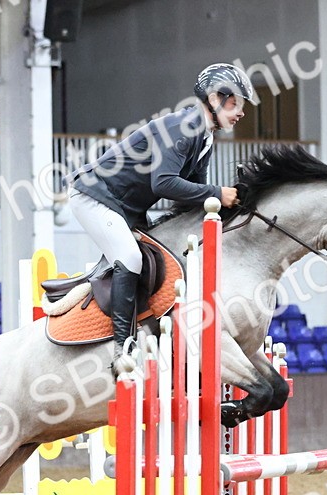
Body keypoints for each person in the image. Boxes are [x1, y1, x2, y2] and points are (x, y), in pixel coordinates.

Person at [66, 62, 256, 373]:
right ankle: (122, 348)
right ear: (213, 99)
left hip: (126, 206)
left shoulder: (204, 138)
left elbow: (193, 197)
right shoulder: (183, 128)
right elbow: (164, 183)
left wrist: (230, 205)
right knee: (130, 257)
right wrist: (218, 194)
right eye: (235, 103)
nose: (241, 112)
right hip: (94, 196)